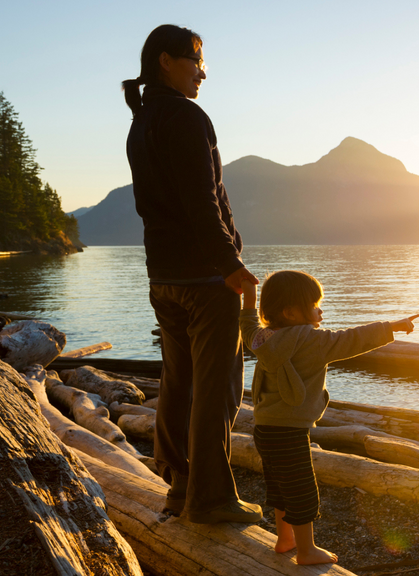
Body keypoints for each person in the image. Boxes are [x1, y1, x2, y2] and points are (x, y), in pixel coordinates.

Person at [122, 24, 262, 524]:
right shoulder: (186, 115)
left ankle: (181, 488)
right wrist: (231, 266)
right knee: (219, 387)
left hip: (164, 276)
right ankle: (211, 499)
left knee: (179, 383)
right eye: (195, 60)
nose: (202, 72)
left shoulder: (143, 121)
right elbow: (203, 202)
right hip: (206, 278)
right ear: (165, 60)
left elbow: (156, 206)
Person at [240, 270, 419, 565]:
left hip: (264, 428)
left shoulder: (262, 338)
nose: (319, 310)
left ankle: (285, 540)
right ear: (291, 312)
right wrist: (391, 327)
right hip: (291, 430)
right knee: (302, 489)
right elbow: (352, 340)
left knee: (280, 484)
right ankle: (307, 550)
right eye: (313, 305)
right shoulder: (312, 341)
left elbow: (246, 324)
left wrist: (248, 294)